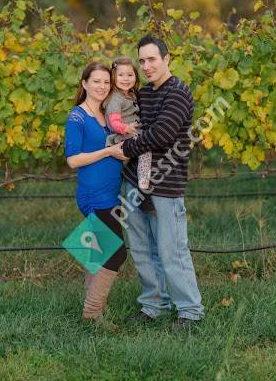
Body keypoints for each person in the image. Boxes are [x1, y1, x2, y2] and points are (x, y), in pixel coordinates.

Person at [120, 35, 205, 329]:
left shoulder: (178, 93)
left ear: (166, 59)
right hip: (135, 181)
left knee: (172, 251)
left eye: (152, 59)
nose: (146, 66)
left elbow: (161, 135)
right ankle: (153, 305)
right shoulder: (143, 94)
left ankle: (190, 311)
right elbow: (135, 128)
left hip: (166, 185)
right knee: (142, 249)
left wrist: (125, 149)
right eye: (142, 61)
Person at [63, 62, 128, 322]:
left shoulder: (106, 113)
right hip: (94, 195)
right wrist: (108, 151)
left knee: (96, 251)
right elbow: (73, 160)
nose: (102, 86)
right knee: (116, 253)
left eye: (106, 82)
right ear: (84, 84)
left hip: (111, 193)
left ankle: (92, 305)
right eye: (96, 81)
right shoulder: (77, 117)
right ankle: (91, 313)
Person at [103, 57, 153, 190]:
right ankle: (144, 180)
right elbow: (113, 123)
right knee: (146, 149)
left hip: (132, 133)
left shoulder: (131, 94)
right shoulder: (115, 99)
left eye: (130, 75)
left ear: (135, 76)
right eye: (121, 75)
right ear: (113, 76)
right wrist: (126, 128)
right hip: (123, 136)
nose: (126, 79)